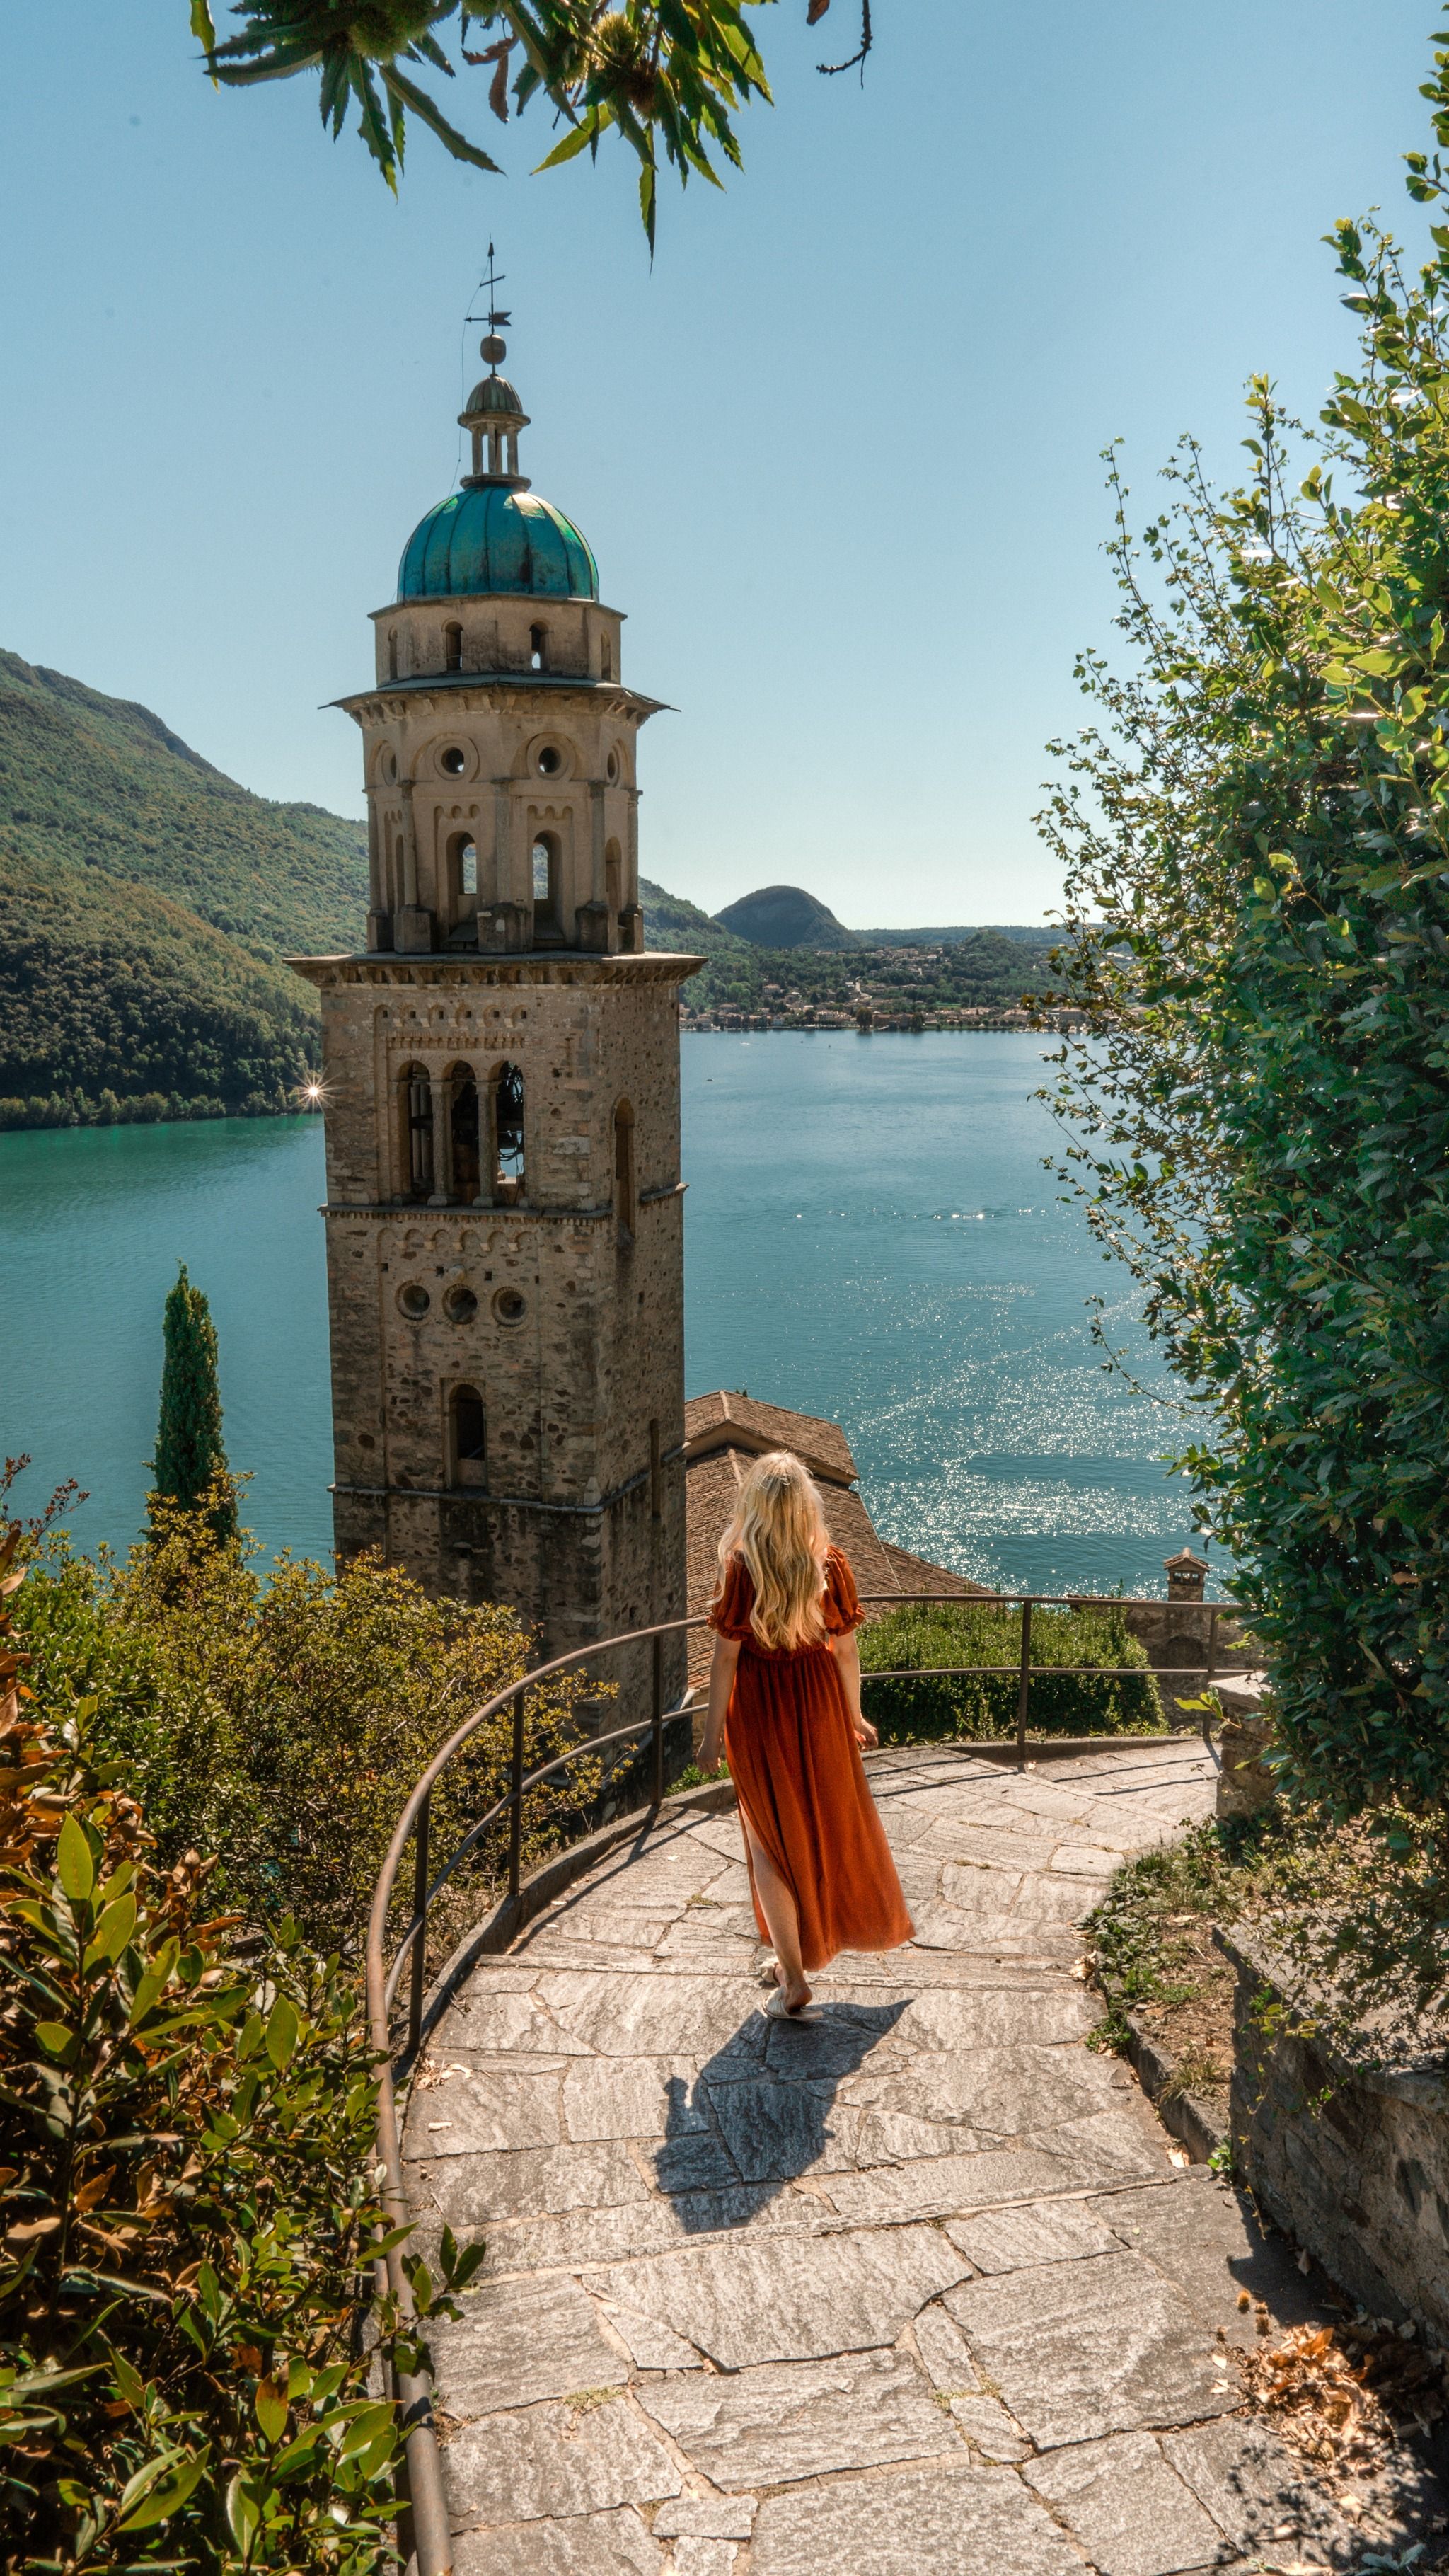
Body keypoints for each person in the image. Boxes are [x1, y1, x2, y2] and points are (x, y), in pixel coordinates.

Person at [700, 1450, 914, 2019]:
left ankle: (793, 1977)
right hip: (819, 1701)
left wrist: (710, 1735)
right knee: (824, 1825)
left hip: (761, 1709)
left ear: (755, 1507)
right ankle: (804, 1953)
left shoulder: (741, 1570)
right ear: (805, 1507)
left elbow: (725, 1661)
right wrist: (855, 1713)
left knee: (770, 1838)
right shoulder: (830, 1565)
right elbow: (844, 1649)